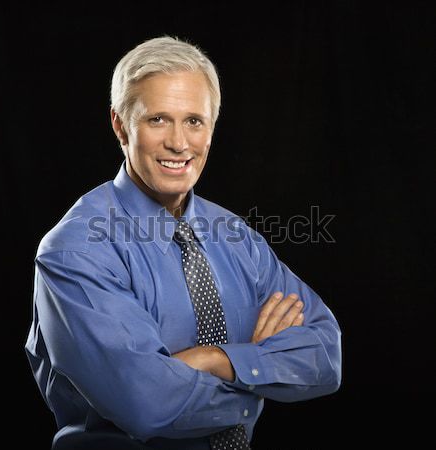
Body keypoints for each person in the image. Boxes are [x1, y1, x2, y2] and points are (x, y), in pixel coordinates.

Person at [25, 36, 342, 450]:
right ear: (120, 125)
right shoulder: (77, 251)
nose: (179, 143)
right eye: (158, 119)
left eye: (194, 121)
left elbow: (325, 354)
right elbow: (147, 404)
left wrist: (218, 360)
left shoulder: (236, 236)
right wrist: (261, 373)